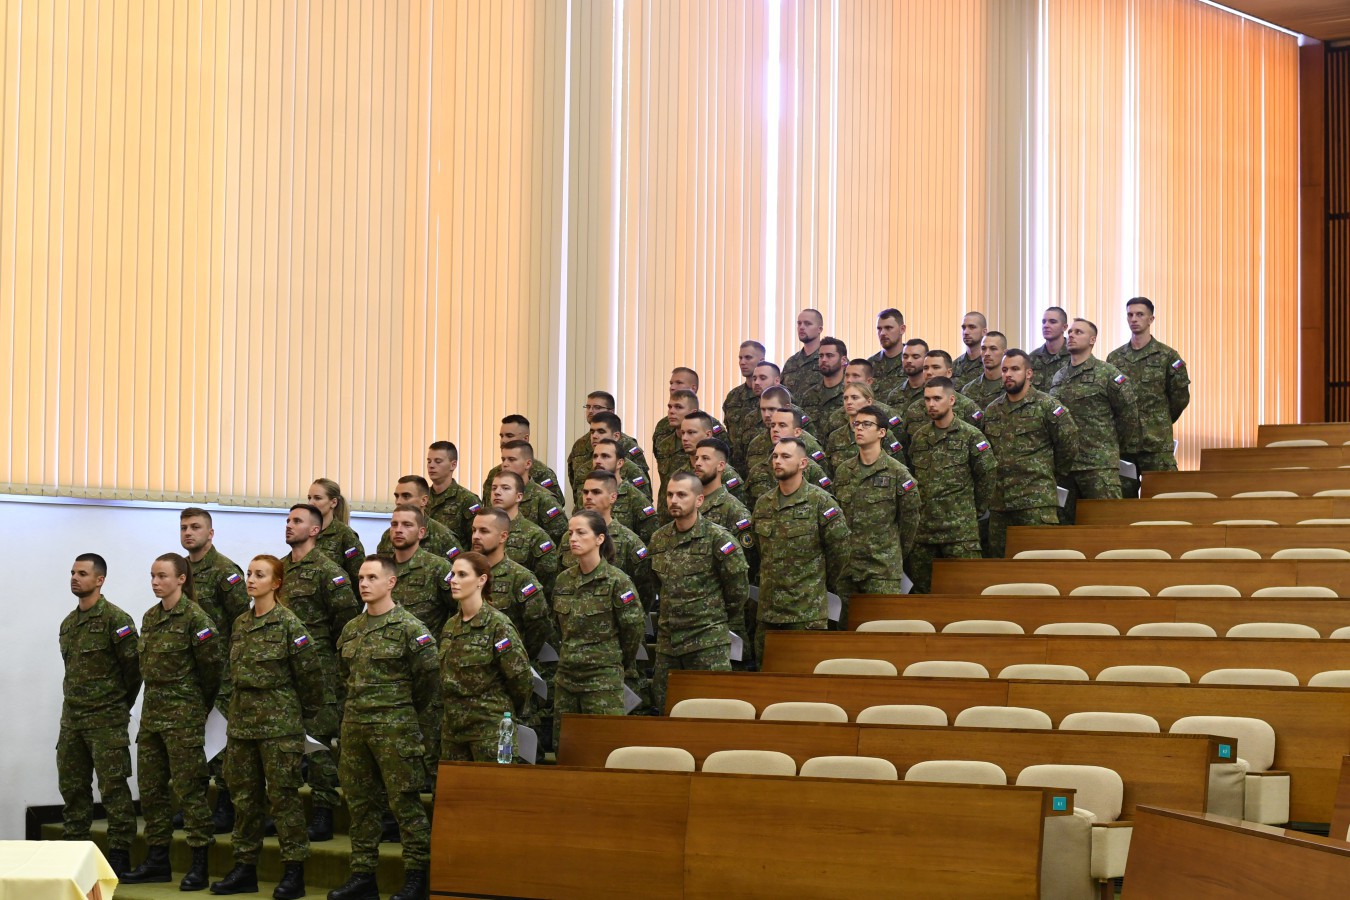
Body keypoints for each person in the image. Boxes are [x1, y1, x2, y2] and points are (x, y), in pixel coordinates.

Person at [210, 555, 328, 898]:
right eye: (249, 573)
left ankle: (294, 872)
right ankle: (244, 868)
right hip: (242, 727)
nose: (250, 579)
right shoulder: (240, 624)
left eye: (259, 575)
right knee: (244, 799)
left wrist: (296, 717)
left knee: (283, 800)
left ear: (276, 583)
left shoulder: (290, 625)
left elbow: (311, 679)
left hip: (279, 727)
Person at [328, 556, 441, 900]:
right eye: (361, 578)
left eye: (372, 578)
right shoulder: (352, 629)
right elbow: (344, 678)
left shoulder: (410, 629)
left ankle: (416, 877)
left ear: (391, 582)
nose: (363, 584)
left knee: (405, 805)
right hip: (355, 729)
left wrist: (399, 710)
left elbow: (427, 682)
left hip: (395, 729)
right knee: (360, 805)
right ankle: (363, 876)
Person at [122, 553, 225, 890]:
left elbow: (213, 672)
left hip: (183, 718)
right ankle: (157, 861)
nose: (155, 582)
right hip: (152, 717)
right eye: (153, 576)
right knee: (151, 792)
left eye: (162, 576)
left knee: (190, 791)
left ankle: (199, 864)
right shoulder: (150, 617)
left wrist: (195, 708)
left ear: (181, 579)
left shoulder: (196, 618)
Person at [279, 503, 360, 841]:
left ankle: (324, 810)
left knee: (319, 740)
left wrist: (333, 664)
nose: (288, 525)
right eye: (287, 520)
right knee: (284, 740)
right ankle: (287, 814)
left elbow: (347, 622)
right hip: (283, 670)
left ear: (315, 530)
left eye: (296, 521)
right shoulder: (279, 570)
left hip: (320, 667)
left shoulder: (329, 571)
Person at [58, 553, 139, 879]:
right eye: (73, 572)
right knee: (73, 789)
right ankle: (74, 852)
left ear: (99, 579)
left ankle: (119, 854)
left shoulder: (116, 620)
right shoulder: (68, 624)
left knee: (114, 790)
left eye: (82, 573)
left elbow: (134, 671)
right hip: (72, 722)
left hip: (106, 721)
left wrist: (117, 707)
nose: (75, 578)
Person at [647, 472, 749, 711]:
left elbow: (738, 591)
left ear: (699, 500)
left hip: (707, 642)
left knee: (712, 712)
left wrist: (712, 619)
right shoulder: (659, 539)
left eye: (682, 495)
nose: (674, 500)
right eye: (670, 495)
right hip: (669, 643)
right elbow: (654, 584)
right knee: (666, 710)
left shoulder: (719, 539)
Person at [179, 506, 249, 832]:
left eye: (195, 527)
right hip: (187, 673)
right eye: (184, 527)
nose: (188, 533)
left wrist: (235, 668)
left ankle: (226, 803)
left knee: (220, 741)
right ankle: (194, 805)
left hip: (221, 670)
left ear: (210, 533)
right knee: (190, 740)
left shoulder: (225, 571)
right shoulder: (179, 571)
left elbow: (242, 622)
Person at [551, 511, 645, 751]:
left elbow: (633, 631)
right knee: (567, 751)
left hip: (602, 679)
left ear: (599, 538)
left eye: (581, 533)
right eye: (570, 533)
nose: (573, 538)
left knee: (606, 749)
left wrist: (613, 661)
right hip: (567, 678)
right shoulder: (563, 581)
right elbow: (557, 628)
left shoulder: (617, 581)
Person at [752, 438, 851, 661]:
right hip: (768, 614)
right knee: (765, 677)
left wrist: (816, 584)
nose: (777, 461)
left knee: (805, 677)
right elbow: (760, 551)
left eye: (785, 456)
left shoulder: (821, 502)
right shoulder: (763, 504)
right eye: (775, 456)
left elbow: (840, 552)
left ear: (803, 463)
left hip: (806, 613)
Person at [982, 350, 1081, 559]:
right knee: (1000, 567)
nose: (1008, 374)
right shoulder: (992, 410)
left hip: (1035, 501)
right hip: (1001, 504)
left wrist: (1051, 472)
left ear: (1029, 373)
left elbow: (1069, 443)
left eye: (1015, 369)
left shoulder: (1047, 406)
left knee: (1039, 564)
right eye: (1005, 370)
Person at [439, 551, 533, 761]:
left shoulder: (498, 625)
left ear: (481, 580)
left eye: (462, 575)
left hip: (489, 728)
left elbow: (521, 680)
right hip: (454, 730)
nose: (453, 580)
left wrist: (502, 712)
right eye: (452, 574)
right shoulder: (451, 625)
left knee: (494, 783)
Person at [832, 406, 922, 625]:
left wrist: (892, 552)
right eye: (857, 424)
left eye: (867, 424)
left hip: (882, 567)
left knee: (882, 630)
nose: (859, 428)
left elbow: (910, 522)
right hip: (848, 567)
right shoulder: (844, 471)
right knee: (846, 631)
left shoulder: (897, 473)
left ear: (882, 432)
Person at [907, 378, 998, 593]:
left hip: (960, 532)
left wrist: (975, 510)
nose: (931, 404)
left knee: (967, 593)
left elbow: (987, 475)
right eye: (927, 399)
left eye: (937, 398)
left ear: (951, 400)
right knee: (922, 597)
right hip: (925, 533)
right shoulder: (920, 438)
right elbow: (914, 476)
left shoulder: (971, 435)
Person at [1050, 318, 1139, 523]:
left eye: (1078, 332)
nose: (1071, 335)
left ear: (1092, 340)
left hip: (1098, 466)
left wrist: (1109, 447)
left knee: (1107, 524)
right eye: (1070, 332)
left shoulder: (1107, 373)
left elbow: (1129, 416)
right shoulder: (1059, 376)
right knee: (1064, 528)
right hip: (1066, 467)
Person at [1108, 296, 1190, 496]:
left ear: (1151, 319)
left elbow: (1180, 397)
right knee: (1122, 502)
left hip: (1156, 444)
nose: (1134, 319)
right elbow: (1110, 399)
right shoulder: (1115, 358)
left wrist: (1160, 419)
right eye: (1130, 315)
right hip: (1124, 444)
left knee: (1164, 498)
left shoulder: (1167, 356)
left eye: (1140, 314)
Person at [470, 508, 558, 661]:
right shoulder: (466, 574)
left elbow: (539, 628)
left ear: (503, 536)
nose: (476, 536)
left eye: (484, 531)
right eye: (474, 530)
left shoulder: (521, 578)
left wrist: (516, 657)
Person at [898, 350, 987, 457]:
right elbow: (906, 448)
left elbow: (981, 446)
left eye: (935, 367)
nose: (929, 372)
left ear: (949, 372)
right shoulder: (914, 409)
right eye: (925, 368)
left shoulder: (967, 407)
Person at [386, 505, 456, 637]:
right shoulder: (383, 568)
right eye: (394, 525)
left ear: (421, 532)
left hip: (425, 645)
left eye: (407, 525)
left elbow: (460, 609)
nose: (398, 530)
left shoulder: (438, 567)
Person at [567, 392, 649, 502]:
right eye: (588, 407)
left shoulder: (629, 447)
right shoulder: (579, 445)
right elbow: (575, 482)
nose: (591, 411)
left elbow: (643, 495)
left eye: (597, 407)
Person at [489, 471, 562, 594]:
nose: (497, 492)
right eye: (494, 488)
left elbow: (547, 584)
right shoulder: (482, 531)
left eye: (505, 488)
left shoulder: (535, 536)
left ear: (519, 497)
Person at [498, 441, 569, 544]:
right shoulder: (498, 495)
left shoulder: (544, 499)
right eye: (503, 459)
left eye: (511, 459)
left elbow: (561, 538)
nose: (505, 464)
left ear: (528, 464)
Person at [482, 415, 565, 502]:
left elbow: (554, 503)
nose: (503, 440)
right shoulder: (494, 473)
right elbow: (488, 505)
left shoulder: (542, 473)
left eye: (509, 436)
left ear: (525, 438)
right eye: (501, 436)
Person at [591, 437, 660, 542]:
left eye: (605, 456)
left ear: (620, 463)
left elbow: (651, 541)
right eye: (595, 456)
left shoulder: (636, 499)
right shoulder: (588, 495)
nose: (598, 461)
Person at [824, 383, 904, 472]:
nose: (849, 402)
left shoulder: (880, 433)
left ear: (868, 402)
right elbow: (829, 471)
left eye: (855, 398)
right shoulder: (835, 436)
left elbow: (899, 466)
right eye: (845, 398)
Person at [376, 476, 459, 561]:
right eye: (397, 496)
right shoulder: (389, 535)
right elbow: (381, 566)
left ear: (424, 500)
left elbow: (460, 566)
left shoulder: (443, 536)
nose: (398, 502)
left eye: (406, 496)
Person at [308, 479, 366, 589]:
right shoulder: (306, 531)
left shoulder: (345, 535)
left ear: (333, 502)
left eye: (317, 498)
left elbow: (358, 577)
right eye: (309, 498)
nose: (311, 503)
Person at [653, 389, 700, 520]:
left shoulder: (704, 449)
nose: (671, 411)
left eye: (678, 407)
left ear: (693, 412)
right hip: (666, 516)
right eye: (670, 407)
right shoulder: (663, 445)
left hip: (694, 517)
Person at [425, 441, 483, 544]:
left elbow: (477, 541)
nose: (431, 466)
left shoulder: (468, 500)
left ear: (453, 465)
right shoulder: (422, 497)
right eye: (429, 461)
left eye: (438, 461)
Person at [722, 340, 766, 473]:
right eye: (740, 358)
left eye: (748, 357)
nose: (742, 362)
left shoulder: (772, 397)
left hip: (762, 468)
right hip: (736, 470)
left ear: (761, 361)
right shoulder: (733, 396)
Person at [589, 412, 653, 498]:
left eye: (601, 432)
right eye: (592, 432)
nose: (594, 436)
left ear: (616, 436)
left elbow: (644, 501)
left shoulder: (632, 471)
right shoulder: (584, 469)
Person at [798, 336, 848, 431]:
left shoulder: (850, 394)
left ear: (843, 360)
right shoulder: (809, 395)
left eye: (829, 356)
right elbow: (803, 428)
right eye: (821, 356)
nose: (824, 359)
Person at [782, 309, 825, 396]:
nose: (801, 327)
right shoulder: (791, 362)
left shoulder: (829, 359)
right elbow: (781, 393)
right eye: (799, 323)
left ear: (819, 329)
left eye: (807, 324)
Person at [867, 308, 908, 399]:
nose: (882, 333)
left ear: (902, 329)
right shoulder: (870, 364)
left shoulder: (913, 361)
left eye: (888, 328)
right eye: (879, 329)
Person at [960, 331, 1007, 409]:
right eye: (983, 348)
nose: (987, 353)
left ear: (1004, 353)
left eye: (993, 349)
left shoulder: (1011, 387)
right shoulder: (968, 390)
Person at [1030, 306, 1071, 392]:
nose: (1046, 325)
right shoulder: (1032, 358)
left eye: (1052, 322)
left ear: (1064, 327)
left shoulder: (1073, 355)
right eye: (1043, 322)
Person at [884, 339, 931, 412]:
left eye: (915, 357)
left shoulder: (934, 392)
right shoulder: (895, 395)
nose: (909, 361)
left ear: (926, 359)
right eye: (905, 357)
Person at [953, 312, 988, 385]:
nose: (966, 332)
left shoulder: (990, 363)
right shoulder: (954, 365)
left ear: (984, 332)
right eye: (963, 328)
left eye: (972, 327)